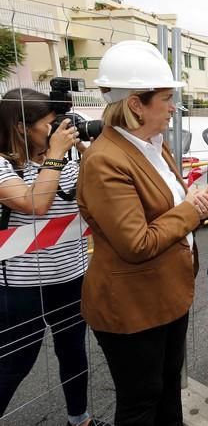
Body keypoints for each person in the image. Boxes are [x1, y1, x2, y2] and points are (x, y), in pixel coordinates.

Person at [77, 40, 208, 426]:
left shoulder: (151, 145)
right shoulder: (106, 160)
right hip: (133, 307)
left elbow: (164, 209)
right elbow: (136, 243)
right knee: (141, 402)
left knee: (167, 390)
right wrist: (191, 210)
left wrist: (190, 200)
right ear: (137, 104)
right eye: (166, 99)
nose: (174, 108)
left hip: (164, 296)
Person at [0, 89, 108, 426]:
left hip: (71, 276)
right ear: (21, 127)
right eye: (51, 125)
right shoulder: (4, 164)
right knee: (18, 359)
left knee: (73, 352)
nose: (58, 131)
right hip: (22, 286)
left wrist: (80, 147)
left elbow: (104, 186)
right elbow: (35, 204)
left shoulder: (64, 160)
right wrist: (57, 155)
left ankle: (80, 419)